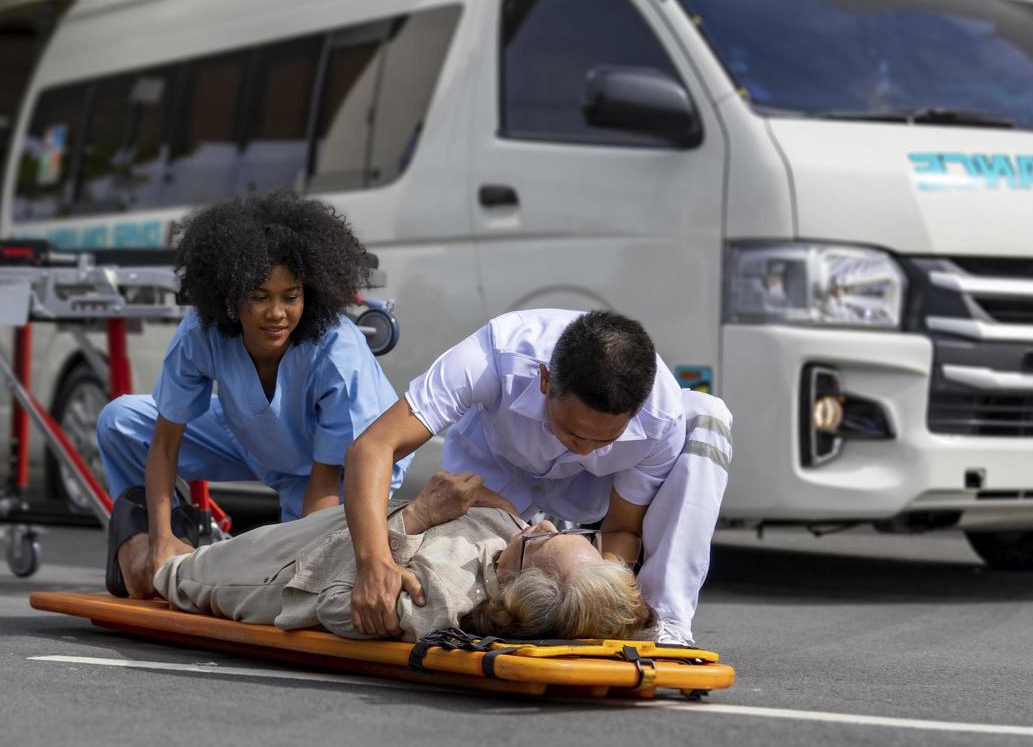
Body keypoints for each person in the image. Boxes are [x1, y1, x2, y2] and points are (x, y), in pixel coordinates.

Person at [343, 309, 732, 646]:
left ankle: (667, 625)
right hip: (491, 475)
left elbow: (622, 529)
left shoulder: (661, 417)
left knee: (708, 414)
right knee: (446, 577)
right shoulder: (492, 355)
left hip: (592, 487)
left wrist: (598, 600)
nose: (584, 448)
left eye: (604, 439)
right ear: (545, 380)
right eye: (574, 433)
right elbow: (374, 447)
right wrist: (373, 563)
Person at [97, 192, 408, 599]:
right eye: (260, 297)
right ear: (230, 297)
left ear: (308, 293)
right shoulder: (199, 333)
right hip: (253, 433)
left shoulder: (338, 354)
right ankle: (165, 539)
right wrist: (161, 540)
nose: (276, 313)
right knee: (120, 420)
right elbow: (163, 443)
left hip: (343, 469)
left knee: (301, 568)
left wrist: (302, 563)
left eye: (290, 296)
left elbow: (324, 485)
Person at [128, 469, 654, 642]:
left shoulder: (440, 602)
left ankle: (133, 550)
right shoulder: (517, 547)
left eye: (543, 539)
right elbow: (501, 515)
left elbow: (332, 601)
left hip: (284, 573)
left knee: (165, 574)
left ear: (520, 588)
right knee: (209, 544)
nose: (539, 523)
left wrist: (420, 515)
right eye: (562, 528)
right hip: (333, 528)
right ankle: (177, 533)